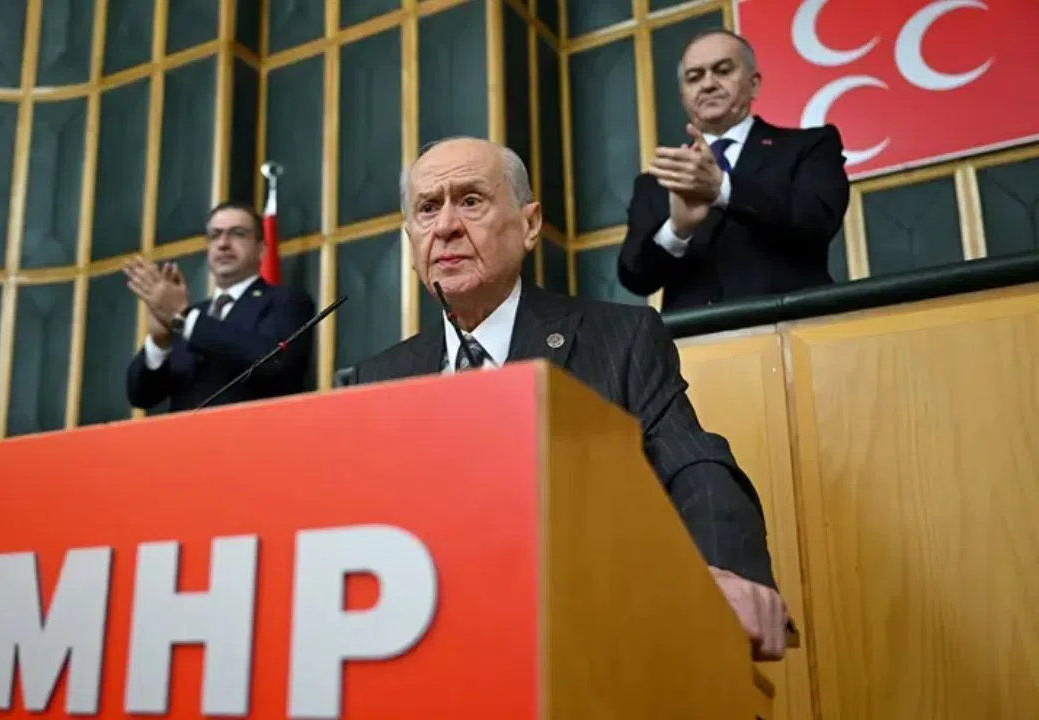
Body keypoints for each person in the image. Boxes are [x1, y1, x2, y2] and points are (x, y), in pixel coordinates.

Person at [346, 136, 790, 660]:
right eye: (427, 208)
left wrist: (725, 569)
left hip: (579, 640)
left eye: (470, 200)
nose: (445, 226)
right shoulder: (376, 380)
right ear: (411, 238)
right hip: (422, 646)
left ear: (530, 224)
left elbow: (694, 462)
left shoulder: (619, 339)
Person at [618, 29, 850, 311]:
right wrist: (677, 230)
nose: (708, 84)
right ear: (683, 97)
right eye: (694, 77)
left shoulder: (810, 146)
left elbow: (817, 221)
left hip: (790, 325)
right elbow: (635, 277)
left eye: (723, 70)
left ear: (754, 84)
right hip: (695, 336)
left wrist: (723, 190)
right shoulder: (658, 181)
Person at [123, 202, 316, 411]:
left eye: (238, 234)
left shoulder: (287, 302)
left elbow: (274, 362)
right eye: (215, 235)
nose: (223, 244)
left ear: (261, 250)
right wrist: (160, 342)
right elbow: (140, 396)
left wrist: (184, 318)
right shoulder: (190, 315)